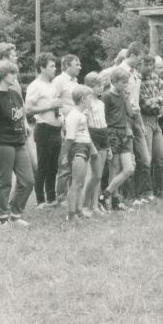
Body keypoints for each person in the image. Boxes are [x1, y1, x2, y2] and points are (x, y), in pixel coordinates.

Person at [0, 60, 34, 227]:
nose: (15, 76)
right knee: (4, 182)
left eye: (15, 72)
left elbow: (21, 115)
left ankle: (16, 214)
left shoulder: (16, 94)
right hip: (2, 144)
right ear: (2, 75)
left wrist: (25, 126)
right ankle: (2, 218)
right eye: (12, 73)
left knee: (28, 180)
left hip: (19, 142)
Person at [25, 52, 62, 209]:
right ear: (42, 68)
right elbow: (28, 109)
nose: (55, 69)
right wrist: (49, 106)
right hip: (44, 129)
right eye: (52, 66)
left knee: (53, 167)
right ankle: (40, 200)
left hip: (56, 129)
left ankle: (52, 197)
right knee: (43, 166)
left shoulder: (53, 85)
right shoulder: (35, 85)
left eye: (55, 65)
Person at [119, 42, 153, 205]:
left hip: (136, 117)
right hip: (123, 119)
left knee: (145, 158)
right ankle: (129, 196)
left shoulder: (135, 74)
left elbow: (136, 101)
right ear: (132, 55)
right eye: (139, 58)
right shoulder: (119, 72)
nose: (141, 62)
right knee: (128, 160)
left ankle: (142, 192)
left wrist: (139, 122)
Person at [100, 68, 135, 211]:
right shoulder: (107, 96)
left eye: (127, 82)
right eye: (123, 82)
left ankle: (104, 195)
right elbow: (103, 118)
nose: (125, 85)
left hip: (124, 133)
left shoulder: (123, 96)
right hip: (112, 133)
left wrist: (127, 98)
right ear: (113, 81)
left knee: (128, 169)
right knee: (114, 168)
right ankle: (115, 202)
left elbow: (130, 113)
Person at [61, 85, 97, 221]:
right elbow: (69, 138)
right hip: (78, 149)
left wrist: (92, 149)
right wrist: (65, 155)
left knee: (81, 182)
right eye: (89, 98)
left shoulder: (81, 114)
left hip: (85, 148)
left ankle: (79, 210)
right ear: (82, 99)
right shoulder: (74, 115)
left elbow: (85, 133)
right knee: (76, 183)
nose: (91, 101)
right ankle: (71, 215)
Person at [138, 55, 163, 199]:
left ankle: (160, 190)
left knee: (162, 157)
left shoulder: (156, 78)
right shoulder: (137, 80)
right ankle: (146, 191)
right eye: (146, 65)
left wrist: (156, 100)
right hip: (144, 120)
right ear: (140, 65)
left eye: (151, 65)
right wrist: (160, 100)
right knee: (147, 158)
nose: (149, 68)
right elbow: (144, 104)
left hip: (156, 120)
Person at [52, 53, 82, 199]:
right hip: (66, 128)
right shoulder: (59, 81)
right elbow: (54, 102)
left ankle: (71, 195)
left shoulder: (75, 82)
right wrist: (62, 122)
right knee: (64, 163)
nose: (80, 67)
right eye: (77, 64)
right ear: (66, 66)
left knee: (73, 162)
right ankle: (61, 197)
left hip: (77, 127)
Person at [83, 72, 111, 215]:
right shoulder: (87, 103)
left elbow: (104, 122)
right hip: (93, 135)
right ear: (89, 87)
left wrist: (109, 146)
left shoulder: (101, 103)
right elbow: (86, 124)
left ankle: (95, 204)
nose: (101, 88)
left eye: (101, 85)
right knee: (96, 174)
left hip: (103, 134)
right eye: (97, 86)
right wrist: (90, 143)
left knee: (100, 174)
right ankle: (85, 204)